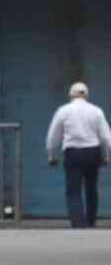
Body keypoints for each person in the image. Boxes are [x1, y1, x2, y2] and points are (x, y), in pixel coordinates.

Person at [46, 82, 111, 229]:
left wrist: (51, 155)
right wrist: (106, 156)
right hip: (93, 152)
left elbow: (53, 136)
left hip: (73, 153)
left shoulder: (63, 111)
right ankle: (91, 222)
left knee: (73, 190)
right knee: (91, 189)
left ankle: (78, 224)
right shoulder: (97, 111)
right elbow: (106, 138)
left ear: (70, 95)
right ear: (87, 95)